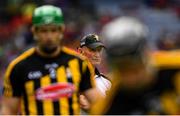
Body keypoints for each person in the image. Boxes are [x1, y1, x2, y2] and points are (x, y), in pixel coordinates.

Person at [1, 5, 102, 115]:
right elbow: (8, 111)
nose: (49, 36)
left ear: (61, 30)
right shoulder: (18, 67)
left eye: (53, 30)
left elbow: (99, 104)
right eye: (44, 31)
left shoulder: (78, 63)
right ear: (34, 31)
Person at [91, 16, 180, 115]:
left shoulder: (175, 67)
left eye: (133, 64)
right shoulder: (107, 106)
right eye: (121, 67)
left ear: (146, 53)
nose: (130, 77)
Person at [77, 34, 111, 111]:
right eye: (92, 50)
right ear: (80, 51)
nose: (97, 55)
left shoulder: (106, 82)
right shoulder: (69, 78)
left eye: (99, 50)